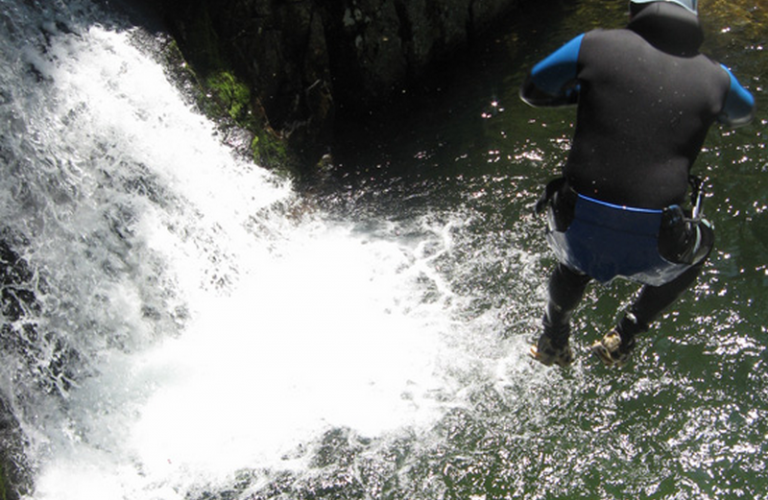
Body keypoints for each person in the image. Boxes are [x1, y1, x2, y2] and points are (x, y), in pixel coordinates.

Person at [520, 0, 756, 367]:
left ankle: (553, 333)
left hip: (577, 224)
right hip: (658, 239)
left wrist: (584, 93)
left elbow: (533, 89)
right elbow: (743, 113)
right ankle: (625, 334)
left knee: (573, 264)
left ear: (635, 11)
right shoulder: (718, 77)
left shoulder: (593, 44)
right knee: (700, 245)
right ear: (693, 16)